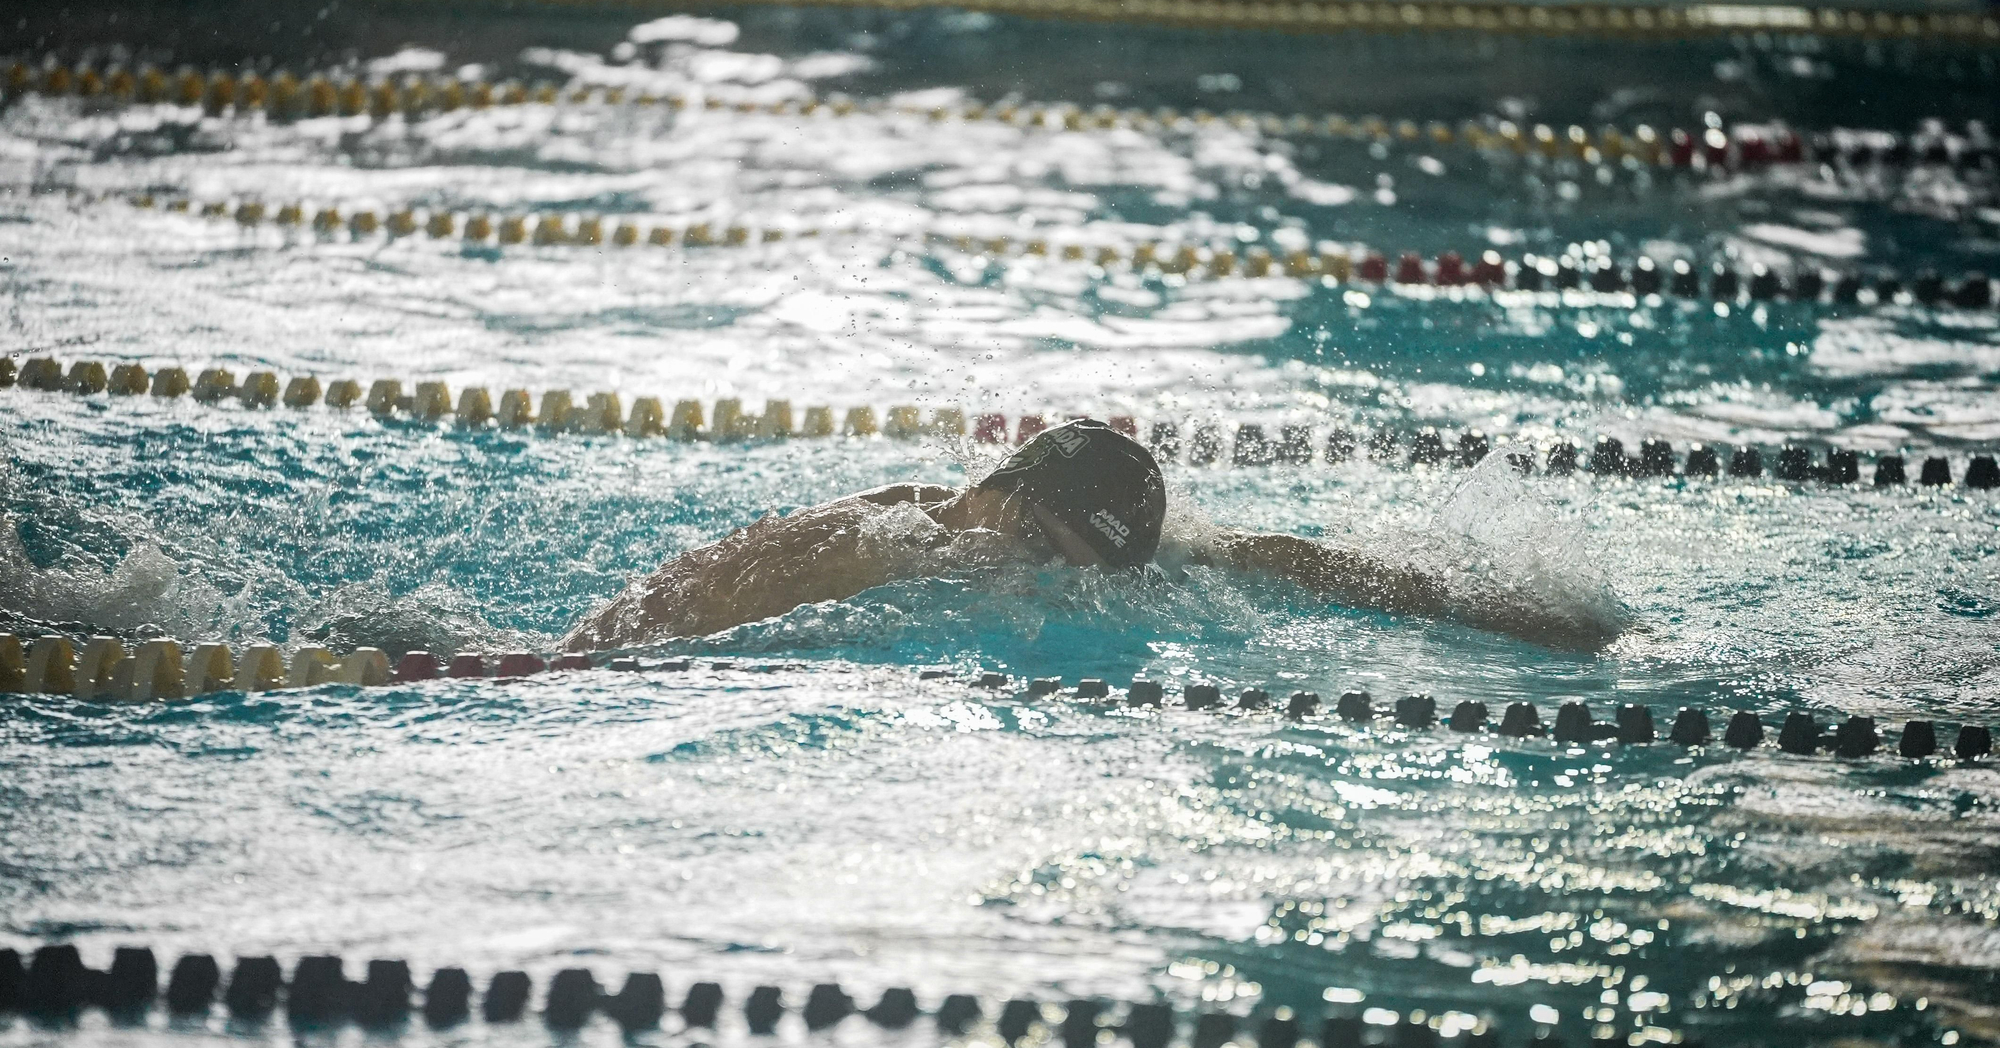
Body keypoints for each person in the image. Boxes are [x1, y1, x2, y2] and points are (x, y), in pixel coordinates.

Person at [560, 419, 1617, 653]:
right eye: (1048, 556)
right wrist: (558, 664)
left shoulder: (1104, 549)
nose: (1058, 586)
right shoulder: (880, 542)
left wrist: (1475, 606)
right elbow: (681, 600)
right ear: (1007, 501)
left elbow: (1285, 561)